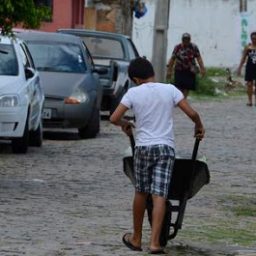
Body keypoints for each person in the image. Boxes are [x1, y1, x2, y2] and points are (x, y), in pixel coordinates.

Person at [110, 57, 205, 254]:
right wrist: (199, 126)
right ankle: (154, 243)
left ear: (136, 79)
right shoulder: (170, 89)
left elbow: (114, 118)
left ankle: (136, 239)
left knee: (141, 192)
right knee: (159, 195)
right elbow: (192, 113)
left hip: (143, 148)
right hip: (165, 148)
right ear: (152, 73)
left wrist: (126, 125)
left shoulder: (133, 93)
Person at [167, 33, 206, 98]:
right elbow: (172, 59)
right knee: (178, 86)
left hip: (190, 70)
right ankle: (179, 99)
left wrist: (202, 69)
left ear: (189, 40)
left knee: (187, 87)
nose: (186, 41)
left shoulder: (194, 47)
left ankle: (183, 99)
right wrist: (169, 71)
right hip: (179, 69)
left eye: (187, 39)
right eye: (184, 39)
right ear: (182, 40)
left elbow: (199, 58)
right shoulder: (178, 47)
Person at [237, 31, 256, 106]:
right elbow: (243, 58)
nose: (254, 40)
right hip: (250, 67)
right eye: (253, 38)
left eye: (255, 38)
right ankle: (250, 101)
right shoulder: (248, 47)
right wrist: (239, 68)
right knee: (249, 84)